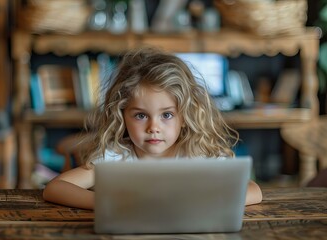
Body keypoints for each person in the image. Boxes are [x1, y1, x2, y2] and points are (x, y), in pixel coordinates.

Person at [43, 47, 263, 209]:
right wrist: (108, 203)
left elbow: (254, 191)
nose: (153, 127)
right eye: (140, 115)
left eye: (166, 115)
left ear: (185, 116)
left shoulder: (197, 155)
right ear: (122, 116)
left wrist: (207, 201)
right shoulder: (115, 157)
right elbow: (55, 188)